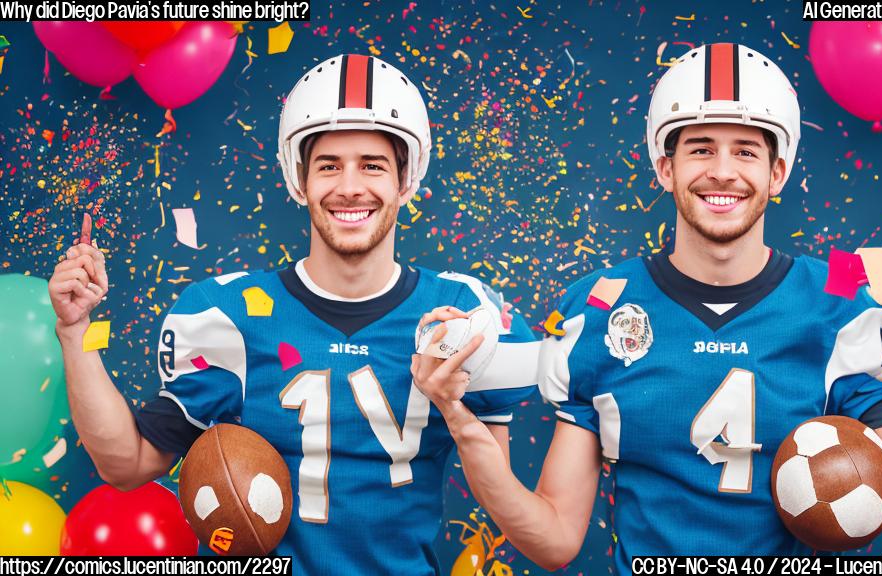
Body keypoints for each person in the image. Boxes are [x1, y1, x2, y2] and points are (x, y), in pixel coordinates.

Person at [411, 43, 882, 569]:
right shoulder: (600, 306)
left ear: (776, 172)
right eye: (701, 148)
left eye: (746, 151)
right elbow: (556, 539)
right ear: (665, 167)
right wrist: (463, 424)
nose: (723, 171)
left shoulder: (841, 301)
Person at [48, 53, 537, 575]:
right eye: (329, 165)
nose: (350, 186)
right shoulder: (229, 316)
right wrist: (75, 330)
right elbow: (125, 465)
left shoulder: (464, 314)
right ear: (298, 179)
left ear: (405, 179)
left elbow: (506, 504)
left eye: (372, 164)